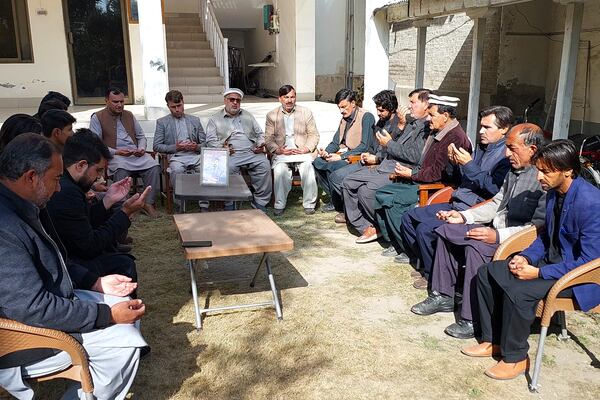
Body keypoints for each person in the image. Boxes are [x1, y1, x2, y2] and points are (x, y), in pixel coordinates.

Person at [0, 133, 147, 400]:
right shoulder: (5, 225)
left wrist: (95, 282)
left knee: (122, 302)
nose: (59, 188)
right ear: (31, 177)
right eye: (56, 179)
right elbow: (33, 308)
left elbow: (55, 262)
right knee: (125, 341)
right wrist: (108, 316)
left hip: (46, 306)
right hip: (20, 335)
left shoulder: (24, 205)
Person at [461, 139, 600, 380]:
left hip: (579, 277)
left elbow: (589, 260)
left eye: (546, 171)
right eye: (538, 170)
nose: (539, 177)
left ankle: (515, 358)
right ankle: (492, 340)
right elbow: (546, 236)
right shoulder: (555, 194)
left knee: (519, 290)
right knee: (488, 272)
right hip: (551, 262)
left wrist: (538, 273)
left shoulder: (591, 203)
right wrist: (525, 256)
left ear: (567, 171)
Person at [411, 124, 547, 339]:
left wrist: (498, 236)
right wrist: (465, 217)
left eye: (512, 148)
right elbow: (498, 202)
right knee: (447, 230)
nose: (506, 153)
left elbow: (538, 227)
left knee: (476, 246)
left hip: (519, 243)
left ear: (532, 149)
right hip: (496, 231)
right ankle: (444, 295)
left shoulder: (544, 178)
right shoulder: (515, 170)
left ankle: (471, 318)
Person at [399, 106, 513, 289]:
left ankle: (434, 276)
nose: (481, 131)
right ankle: (426, 264)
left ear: (504, 129)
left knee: (425, 229)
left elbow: (493, 189)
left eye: (487, 127)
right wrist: (456, 163)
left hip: (475, 208)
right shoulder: (482, 147)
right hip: (458, 200)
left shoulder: (506, 157)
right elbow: (464, 177)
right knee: (409, 217)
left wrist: (468, 164)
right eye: (481, 126)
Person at [47, 129, 149, 284]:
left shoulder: (70, 185)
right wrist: (125, 213)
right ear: (81, 165)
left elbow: (84, 222)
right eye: (98, 170)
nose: (100, 177)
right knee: (124, 265)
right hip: (68, 265)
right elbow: (90, 246)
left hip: (70, 257)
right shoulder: (66, 192)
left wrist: (108, 200)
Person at [374, 94, 472, 252]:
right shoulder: (438, 131)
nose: (428, 119)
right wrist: (410, 173)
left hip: (434, 188)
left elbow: (436, 174)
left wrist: (411, 174)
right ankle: (393, 240)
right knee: (381, 193)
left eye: (432, 115)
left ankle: (408, 248)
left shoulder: (455, 137)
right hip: (420, 180)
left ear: (445, 116)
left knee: (395, 201)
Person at [341, 89, 429, 242]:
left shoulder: (426, 127)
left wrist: (388, 144)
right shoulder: (411, 122)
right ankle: (365, 226)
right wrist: (401, 126)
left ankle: (382, 228)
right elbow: (393, 143)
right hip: (385, 163)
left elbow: (413, 156)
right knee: (347, 182)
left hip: (398, 168)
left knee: (366, 191)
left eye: (413, 102)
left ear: (426, 104)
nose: (409, 106)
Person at [89, 87, 160, 217]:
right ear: (106, 101)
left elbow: (140, 136)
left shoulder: (129, 115)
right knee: (120, 169)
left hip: (135, 153)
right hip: (116, 155)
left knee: (154, 166)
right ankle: (126, 206)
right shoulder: (97, 117)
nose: (119, 105)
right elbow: (96, 143)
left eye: (122, 101)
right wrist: (116, 152)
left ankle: (147, 203)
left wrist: (142, 148)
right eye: (115, 102)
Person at [204, 88, 272, 211]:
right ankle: (230, 203)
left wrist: (260, 144)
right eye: (232, 100)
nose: (235, 103)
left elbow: (260, 134)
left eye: (238, 100)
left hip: (251, 152)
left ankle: (260, 202)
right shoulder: (215, 119)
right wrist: (223, 148)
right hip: (231, 155)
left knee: (264, 164)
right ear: (225, 101)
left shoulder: (247, 115)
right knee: (227, 167)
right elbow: (210, 141)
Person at [313, 89, 376, 213]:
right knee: (318, 162)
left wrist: (340, 157)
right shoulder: (344, 119)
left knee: (332, 166)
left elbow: (365, 146)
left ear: (353, 103)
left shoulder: (366, 116)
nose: (342, 110)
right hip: (345, 154)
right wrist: (326, 152)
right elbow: (336, 142)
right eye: (339, 107)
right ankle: (335, 196)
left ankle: (337, 201)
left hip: (359, 157)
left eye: (344, 107)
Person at [265, 84, 320, 215]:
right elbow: (268, 138)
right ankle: (279, 204)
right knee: (280, 170)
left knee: (307, 167)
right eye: (286, 97)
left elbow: (314, 134)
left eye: (292, 97)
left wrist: (306, 148)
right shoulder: (272, 115)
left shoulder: (305, 112)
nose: (289, 100)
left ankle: (309, 204)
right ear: (280, 99)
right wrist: (278, 150)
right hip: (282, 152)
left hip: (301, 151)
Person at [153, 90, 206, 211]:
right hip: (176, 157)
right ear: (168, 106)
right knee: (177, 170)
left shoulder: (195, 120)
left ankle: (204, 205)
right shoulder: (162, 122)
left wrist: (196, 146)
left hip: (194, 155)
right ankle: (180, 206)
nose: (177, 109)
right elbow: (156, 146)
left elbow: (206, 143)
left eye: (179, 106)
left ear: (183, 102)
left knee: (206, 168)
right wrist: (176, 147)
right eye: (173, 107)